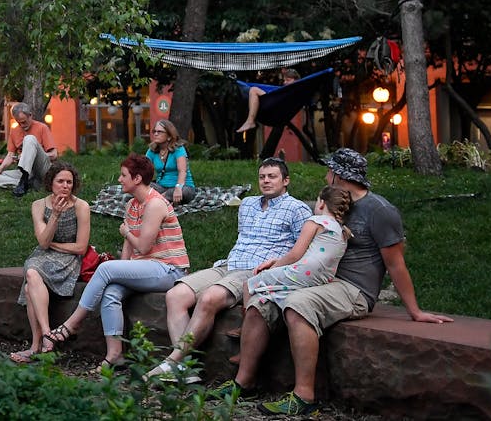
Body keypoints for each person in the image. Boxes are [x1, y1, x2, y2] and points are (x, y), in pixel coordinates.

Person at [216, 148, 452, 416]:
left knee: (297, 304)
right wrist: (279, 262)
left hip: (353, 289)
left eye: (330, 170)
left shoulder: (380, 211)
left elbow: (395, 264)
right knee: (261, 300)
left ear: (340, 175)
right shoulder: (330, 202)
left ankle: (304, 396)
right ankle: (244, 382)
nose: (326, 175)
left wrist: (415, 311)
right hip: (318, 280)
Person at [151, 157, 311, 381]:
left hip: (255, 271)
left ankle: (173, 362)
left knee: (209, 298)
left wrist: (277, 265)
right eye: (262, 177)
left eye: (272, 176)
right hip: (228, 265)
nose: (265, 181)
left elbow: (303, 250)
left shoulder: (297, 209)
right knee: (175, 295)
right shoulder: (247, 204)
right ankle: (185, 371)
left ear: (286, 180)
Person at [42, 155, 190, 371]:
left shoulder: (155, 204)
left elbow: (143, 247)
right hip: (146, 268)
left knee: (106, 268)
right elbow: (129, 251)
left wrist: (127, 232)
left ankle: (71, 325)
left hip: (168, 269)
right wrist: (122, 268)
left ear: (137, 178)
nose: (120, 180)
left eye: (123, 175)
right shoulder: (132, 204)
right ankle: (114, 355)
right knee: (111, 290)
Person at [9, 161, 92, 363]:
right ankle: (47, 335)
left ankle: (36, 346)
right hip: (42, 256)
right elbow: (43, 242)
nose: (65, 186)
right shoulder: (38, 205)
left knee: (30, 285)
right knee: (32, 272)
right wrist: (54, 214)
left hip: (69, 258)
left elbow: (80, 247)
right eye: (60, 181)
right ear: (51, 183)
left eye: (69, 182)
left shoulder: (81, 206)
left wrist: (54, 245)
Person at [243, 184, 354, 319]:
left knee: (249, 283)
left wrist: (273, 268)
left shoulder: (315, 221)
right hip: (323, 279)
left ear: (321, 204)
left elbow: (295, 254)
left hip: (302, 273)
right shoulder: (343, 232)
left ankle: (244, 324)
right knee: (280, 289)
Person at [0, 103, 58, 197]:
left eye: (24, 122)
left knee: (29, 139)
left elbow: (54, 154)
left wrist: (32, 155)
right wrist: (0, 168)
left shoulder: (42, 128)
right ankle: (26, 183)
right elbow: (10, 155)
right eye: (19, 122)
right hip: (23, 171)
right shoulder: (14, 131)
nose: (22, 125)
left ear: (30, 115)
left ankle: (25, 181)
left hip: (42, 169)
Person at [147, 119, 197, 206]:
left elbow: (182, 171)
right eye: (154, 131)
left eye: (159, 132)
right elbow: (143, 167)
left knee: (183, 192)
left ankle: (156, 201)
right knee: (139, 187)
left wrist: (178, 188)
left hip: (182, 187)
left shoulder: (179, 149)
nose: (155, 134)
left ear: (169, 136)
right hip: (161, 187)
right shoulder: (152, 150)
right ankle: (164, 200)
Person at [237, 67, 300, 132]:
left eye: (288, 80)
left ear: (296, 80)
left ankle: (250, 121)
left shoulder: (297, 89)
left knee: (254, 90)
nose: (284, 82)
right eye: (284, 80)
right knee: (253, 91)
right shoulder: (286, 90)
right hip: (274, 104)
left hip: (277, 107)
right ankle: (250, 120)